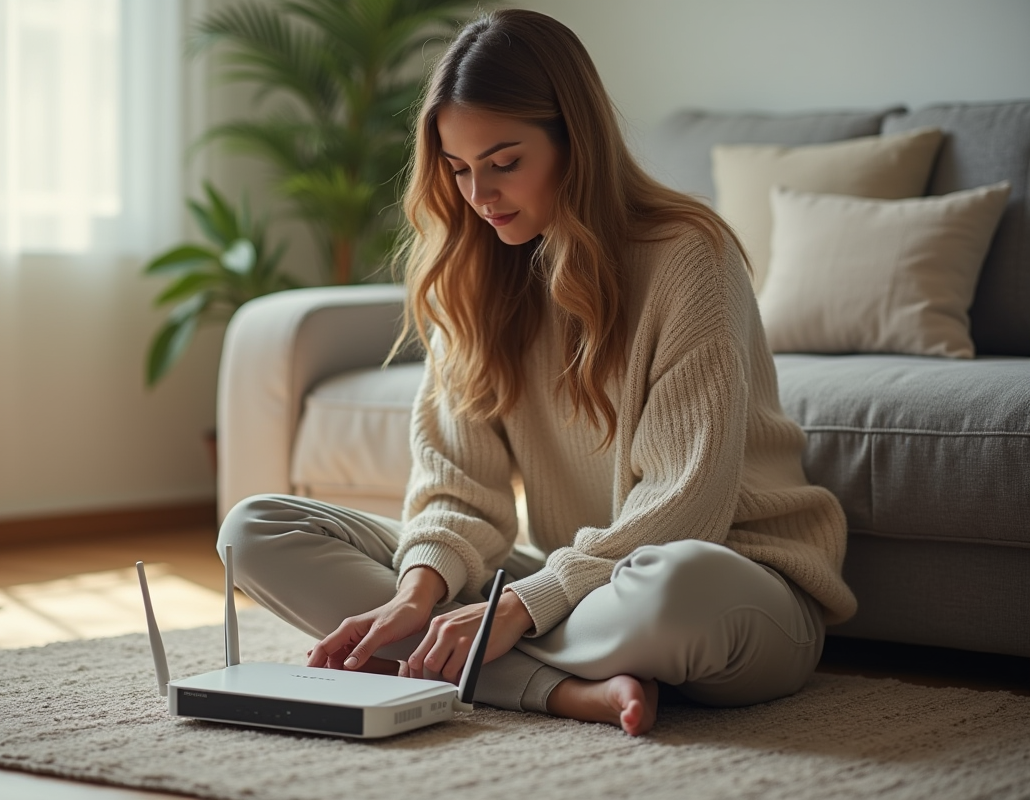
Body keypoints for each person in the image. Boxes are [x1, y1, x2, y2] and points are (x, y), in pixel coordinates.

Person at [217, 7, 856, 736]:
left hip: (730, 587)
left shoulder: (691, 256)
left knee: (673, 584)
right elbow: (458, 492)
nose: (480, 195)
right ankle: (566, 691)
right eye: (457, 170)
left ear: (572, 139)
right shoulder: (472, 274)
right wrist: (416, 597)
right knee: (254, 528)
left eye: (504, 161)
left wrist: (521, 607)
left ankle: (493, 664)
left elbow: (686, 509)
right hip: (583, 589)